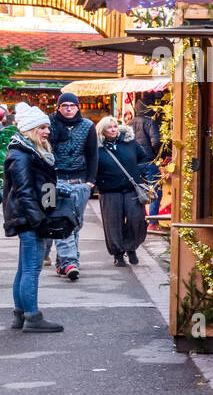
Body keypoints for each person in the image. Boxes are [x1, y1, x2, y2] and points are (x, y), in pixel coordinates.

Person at [2, 103, 63, 332]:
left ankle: (20, 316)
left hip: (28, 215)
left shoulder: (27, 151)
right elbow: (24, 191)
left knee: (24, 268)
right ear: (30, 129)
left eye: (47, 127)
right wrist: (40, 220)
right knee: (31, 269)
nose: (47, 131)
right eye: (42, 127)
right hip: (29, 217)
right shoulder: (22, 154)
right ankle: (33, 318)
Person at [47, 92, 97, 280]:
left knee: (74, 223)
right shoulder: (50, 124)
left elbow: (93, 155)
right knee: (59, 220)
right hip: (55, 180)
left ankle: (64, 264)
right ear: (58, 107)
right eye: (64, 105)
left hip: (79, 180)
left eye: (72, 105)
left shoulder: (87, 126)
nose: (68, 108)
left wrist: (91, 181)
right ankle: (70, 262)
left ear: (78, 107)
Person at [94, 116, 149, 266]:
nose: (113, 130)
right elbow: (92, 166)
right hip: (109, 190)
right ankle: (118, 254)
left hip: (132, 189)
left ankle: (131, 248)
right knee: (113, 223)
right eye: (109, 127)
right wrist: (98, 181)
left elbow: (143, 158)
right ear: (102, 131)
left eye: (115, 126)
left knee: (136, 219)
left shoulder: (129, 142)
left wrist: (139, 173)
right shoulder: (97, 147)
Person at [131, 96, 164, 227]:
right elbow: (156, 141)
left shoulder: (130, 123)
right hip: (149, 161)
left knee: (139, 191)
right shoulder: (150, 122)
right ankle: (153, 222)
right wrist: (157, 154)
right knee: (156, 190)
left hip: (134, 162)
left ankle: (141, 220)